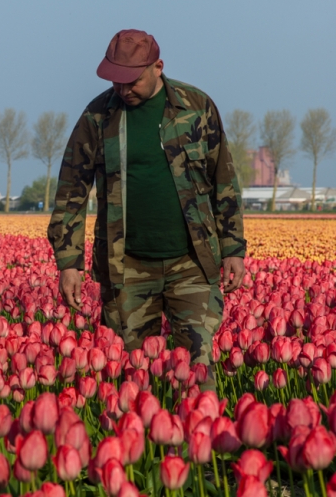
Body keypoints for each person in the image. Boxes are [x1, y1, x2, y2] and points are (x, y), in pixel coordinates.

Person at [48, 30, 246, 389]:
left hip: (192, 263)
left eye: (132, 81)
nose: (123, 90)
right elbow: (70, 192)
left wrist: (233, 248)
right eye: (116, 81)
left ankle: (199, 442)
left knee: (198, 372)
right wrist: (68, 262)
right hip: (126, 267)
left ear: (158, 67)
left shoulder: (196, 107)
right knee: (130, 378)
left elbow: (224, 181)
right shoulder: (97, 118)